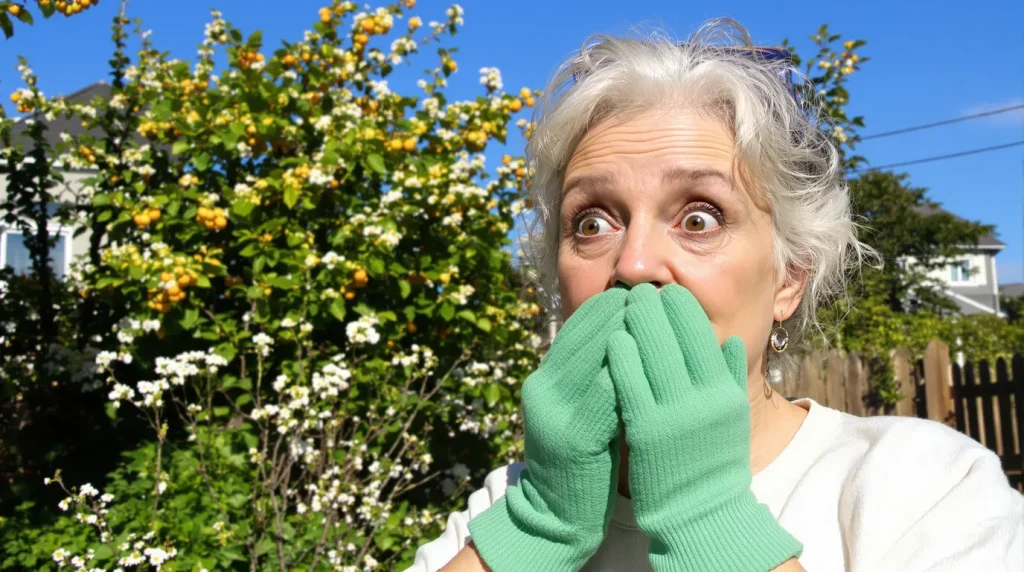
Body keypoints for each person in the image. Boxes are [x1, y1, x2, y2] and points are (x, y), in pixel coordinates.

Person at [405, 19, 1024, 572]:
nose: (634, 265)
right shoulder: (505, 505)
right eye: (591, 222)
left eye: (699, 219)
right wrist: (538, 530)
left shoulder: (924, 487)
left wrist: (705, 518)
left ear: (789, 277)